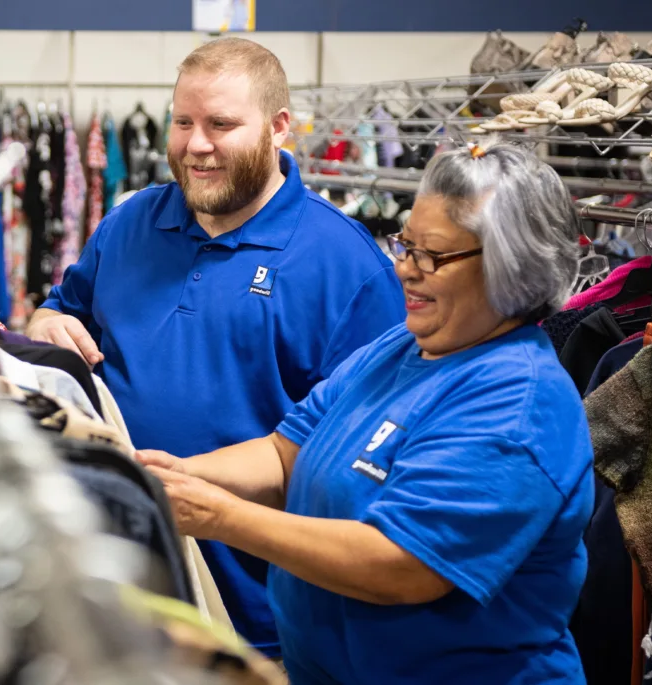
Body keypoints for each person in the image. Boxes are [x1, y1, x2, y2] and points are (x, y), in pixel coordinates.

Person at [138, 141, 595, 684]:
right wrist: (175, 476)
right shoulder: (402, 346)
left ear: (513, 267)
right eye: (405, 246)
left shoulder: (517, 400)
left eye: (433, 256)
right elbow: (286, 455)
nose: (405, 271)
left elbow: (403, 566)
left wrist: (217, 516)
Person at [26, 38, 405, 656]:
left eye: (221, 124)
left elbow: (361, 474)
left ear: (280, 128)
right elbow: (63, 309)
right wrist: (44, 319)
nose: (196, 145)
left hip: (264, 627)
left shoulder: (348, 267)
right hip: (114, 592)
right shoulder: (129, 223)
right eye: (183, 122)